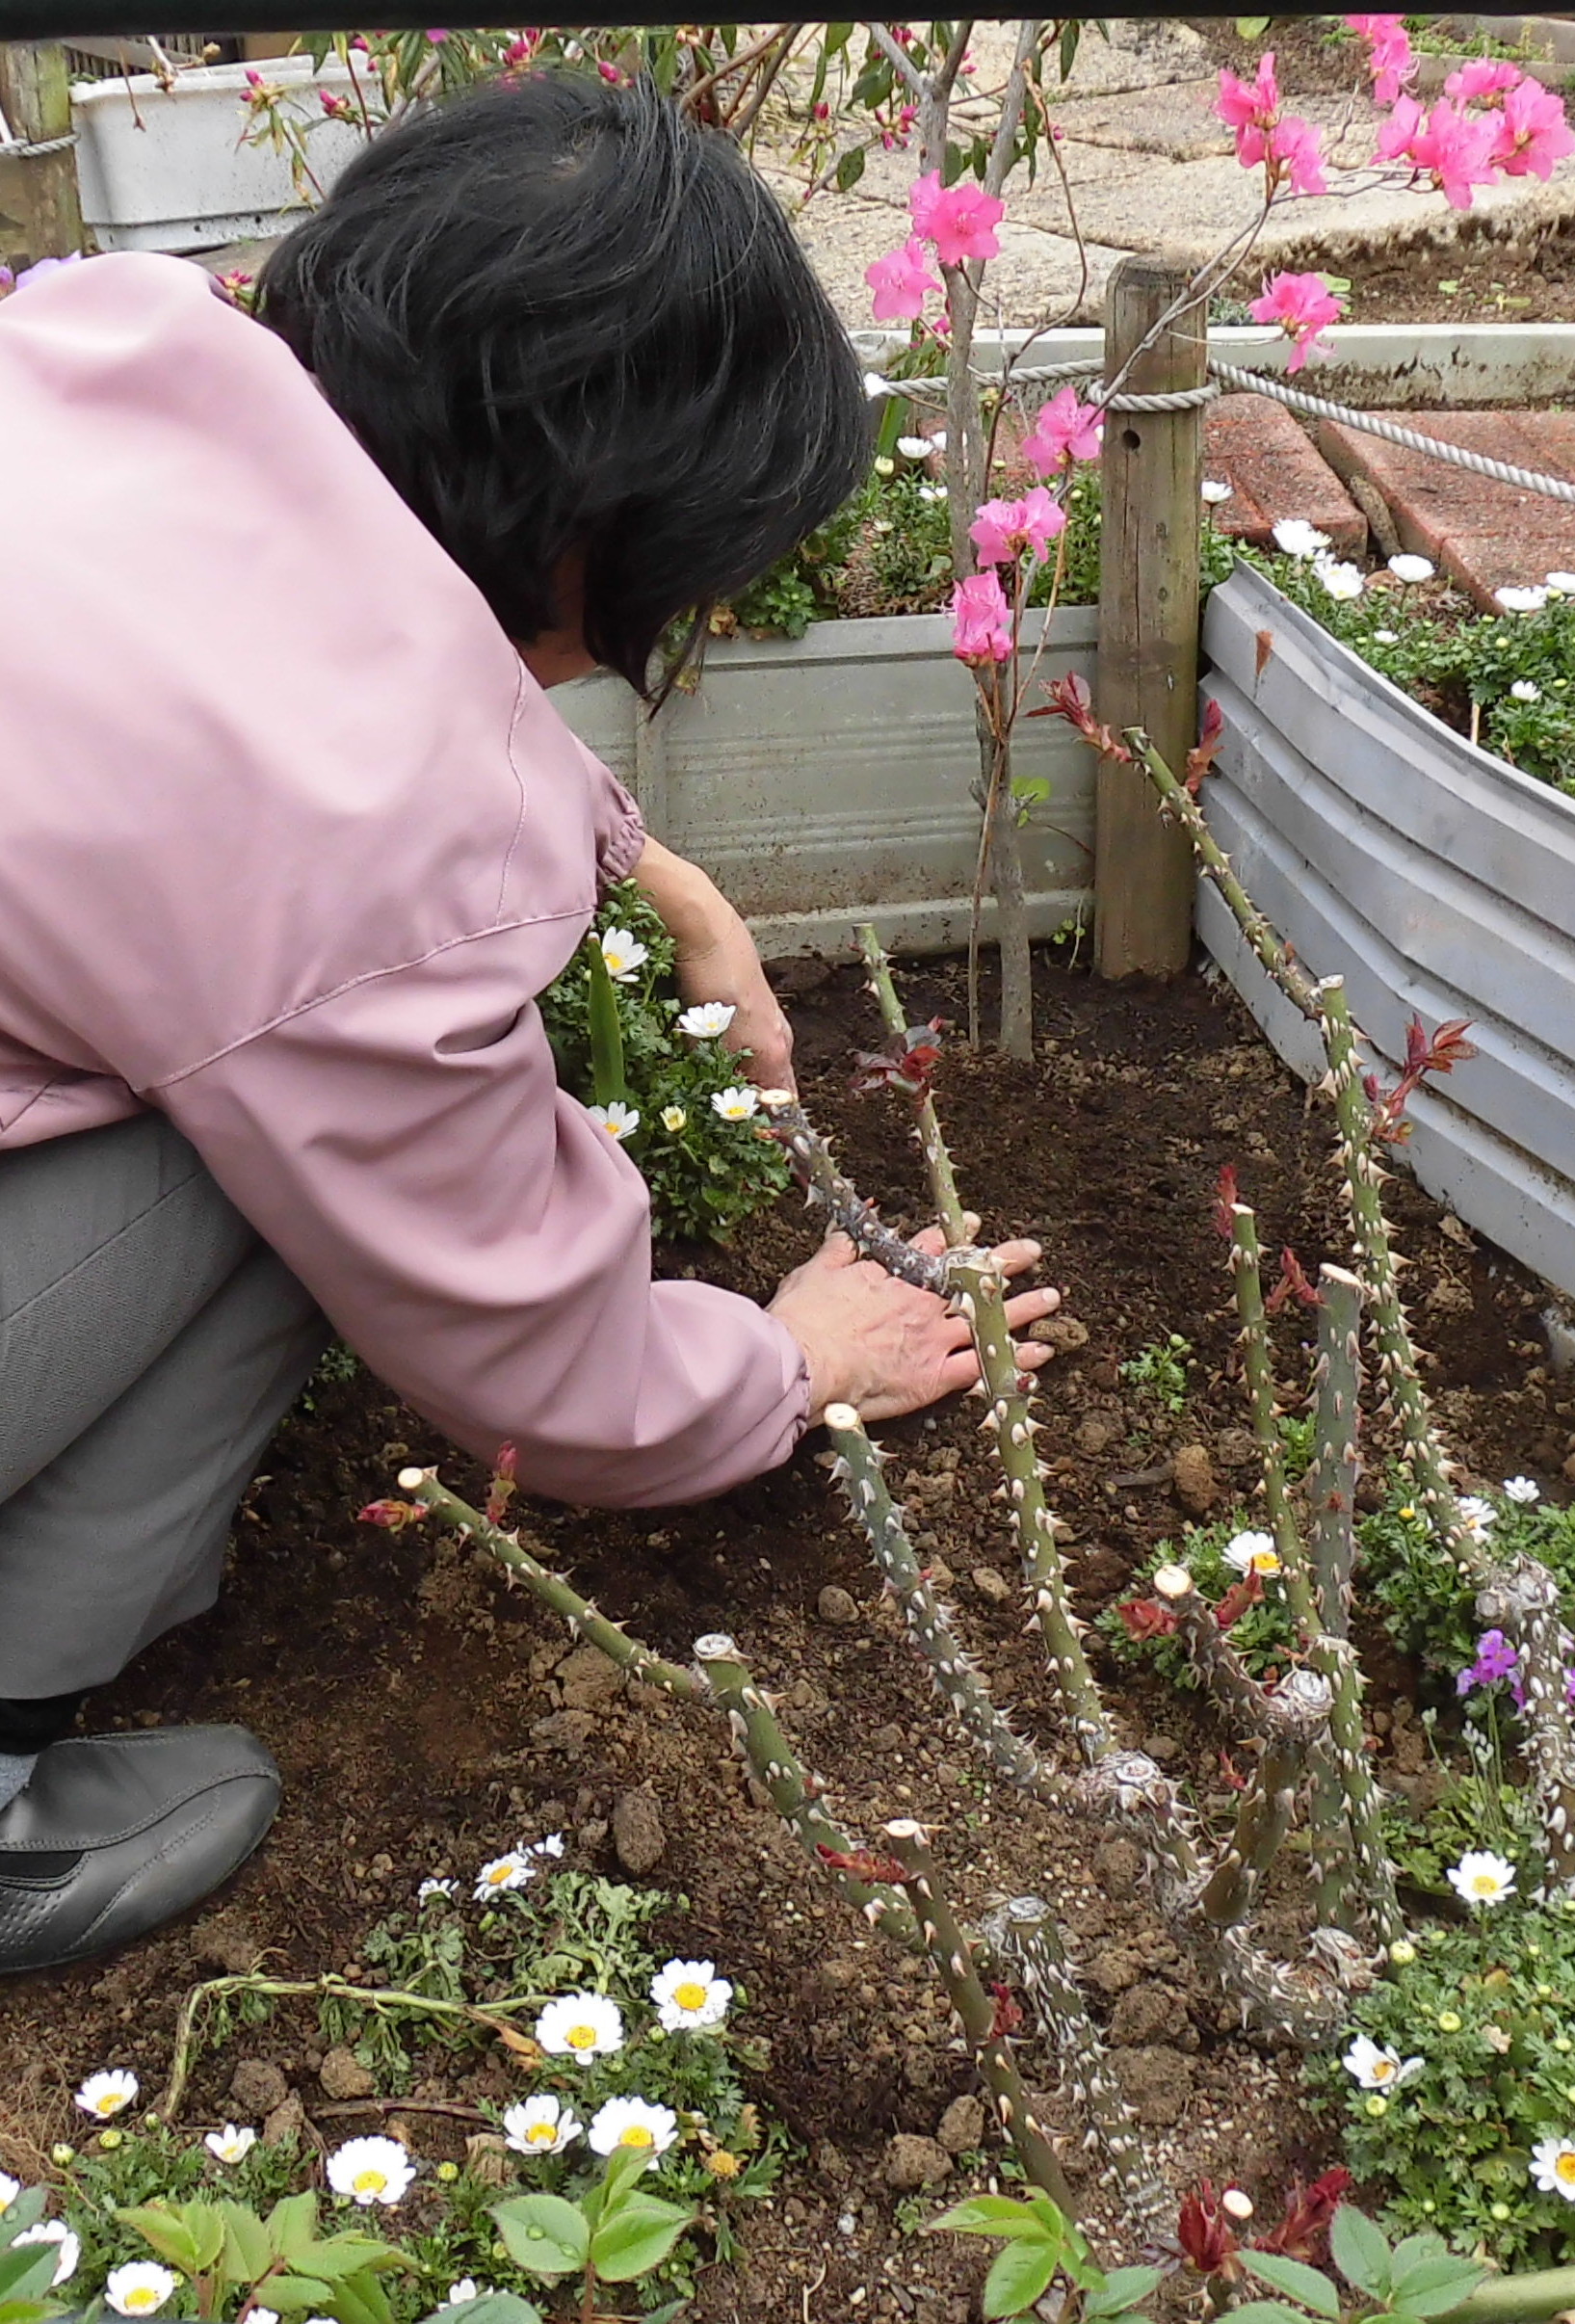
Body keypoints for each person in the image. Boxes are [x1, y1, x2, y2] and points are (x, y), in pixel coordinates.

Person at [0, 72, 1060, 1974]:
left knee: (238, 1086)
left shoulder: (108, 338)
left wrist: (655, 872)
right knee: (258, 1164)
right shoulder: (361, 854)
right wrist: (788, 1356)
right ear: (593, 531)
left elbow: (248, 698)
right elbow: (540, 1373)